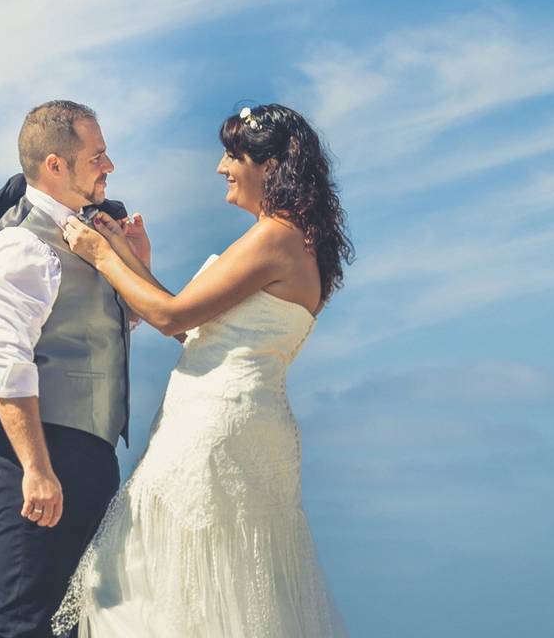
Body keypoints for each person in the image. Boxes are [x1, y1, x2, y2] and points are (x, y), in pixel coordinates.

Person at [51, 104, 352, 637]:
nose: (220, 167)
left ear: (271, 167)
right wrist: (131, 254)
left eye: (234, 155)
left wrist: (101, 254)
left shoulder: (274, 236)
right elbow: (196, 325)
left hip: (214, 425)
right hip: (253, 423)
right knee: (221, 584)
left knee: (153, 581)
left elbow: (170, 318)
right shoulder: (304, 244)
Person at [0, 99, 144, 637]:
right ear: (55, 165)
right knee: (25, 623)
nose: (108, 167)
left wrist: (137, 260)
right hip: (37, 453)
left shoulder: (90, 235)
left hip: (90, 450)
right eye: (98, 156)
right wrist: (36, 470)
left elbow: (109, 328)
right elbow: (7, 365)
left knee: (75, 624)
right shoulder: (20, 243)